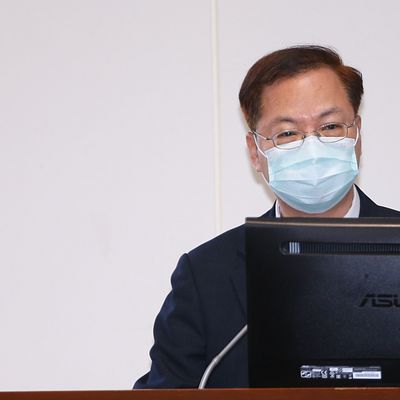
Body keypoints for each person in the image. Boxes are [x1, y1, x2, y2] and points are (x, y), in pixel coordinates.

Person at [134, 45, 400, 388]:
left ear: (357, 134)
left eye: (331, 126)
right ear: (255, 152)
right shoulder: (206, 275)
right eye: (287, 133)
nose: (312, 146)